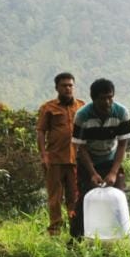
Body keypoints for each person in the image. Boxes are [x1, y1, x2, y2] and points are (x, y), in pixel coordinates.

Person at [70, 78, 130, 239]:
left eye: (110, 97)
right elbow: (81, 148)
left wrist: (113, 172)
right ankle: (77, 241)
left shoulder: (121, 113)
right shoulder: (82, 116)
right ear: (93, 99)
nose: (107, 102)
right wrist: (92, 173)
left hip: (111, 160)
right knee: (85, 199)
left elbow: (122, 145)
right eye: (102, 99)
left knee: (117, 197)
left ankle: (121, 239)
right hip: (88, 161)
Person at [36, 73, 85, 235]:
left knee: (74, 198)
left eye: (70, 85)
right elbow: (41, 132)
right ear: (57, 88)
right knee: (55, 198)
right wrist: (44, 155)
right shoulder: (48, 108)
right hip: (55, 159)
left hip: (76, 160)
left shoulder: (82, 106)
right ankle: (55, 231)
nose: (68, 88)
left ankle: (75, 230)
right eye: (64, 85)